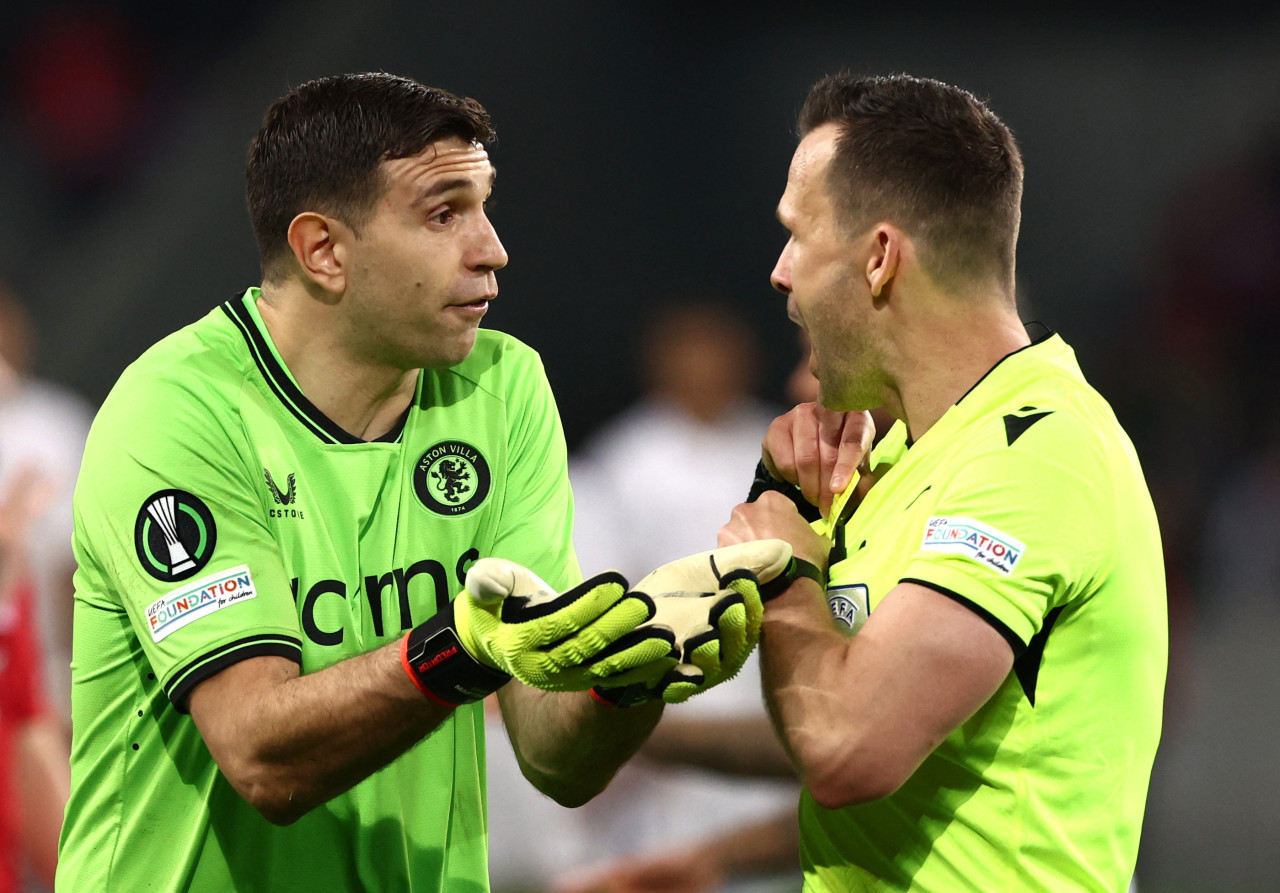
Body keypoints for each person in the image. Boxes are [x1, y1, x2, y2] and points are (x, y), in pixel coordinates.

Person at [55, 72, 784, 893]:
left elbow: (553, 756)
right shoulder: (180, 410)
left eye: (484, 204)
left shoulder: (503, 389)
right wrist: (453, 651)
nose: (492, 248)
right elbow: (261, 756)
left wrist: (629, 675)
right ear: (324, 250)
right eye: (444, 213)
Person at [720, 73, 1167, 891]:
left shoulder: (1038, 453)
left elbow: (849, 748)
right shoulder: (900, 460)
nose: (780, 273)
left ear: (880, 257)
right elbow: (841, 701)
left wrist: (783, 568)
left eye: (796, 235)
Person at [487, 300, 800, 893]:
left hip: (766, 707)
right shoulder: (626, 460)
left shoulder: (775, 448)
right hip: (670, 714)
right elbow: (597, 592)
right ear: (661, 365)